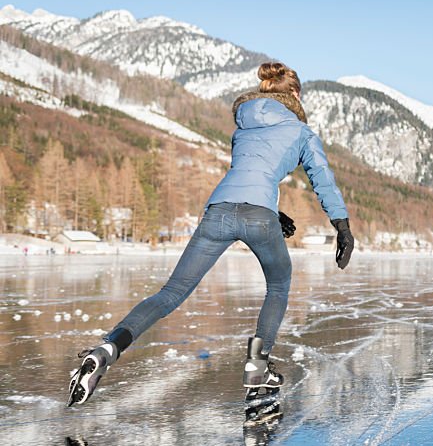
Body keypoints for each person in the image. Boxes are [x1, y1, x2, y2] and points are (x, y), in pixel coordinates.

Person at [67, 62, 354, 406]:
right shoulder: (301, 131)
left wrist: (274, 212)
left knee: (171, 292)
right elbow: (321, 178)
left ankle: (106, 349)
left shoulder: (243, 126)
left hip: (218, 211)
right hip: (257, 215)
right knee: (278, 285)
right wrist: (342, 226)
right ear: (294, 93)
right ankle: (257, 366)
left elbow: (246, 172)